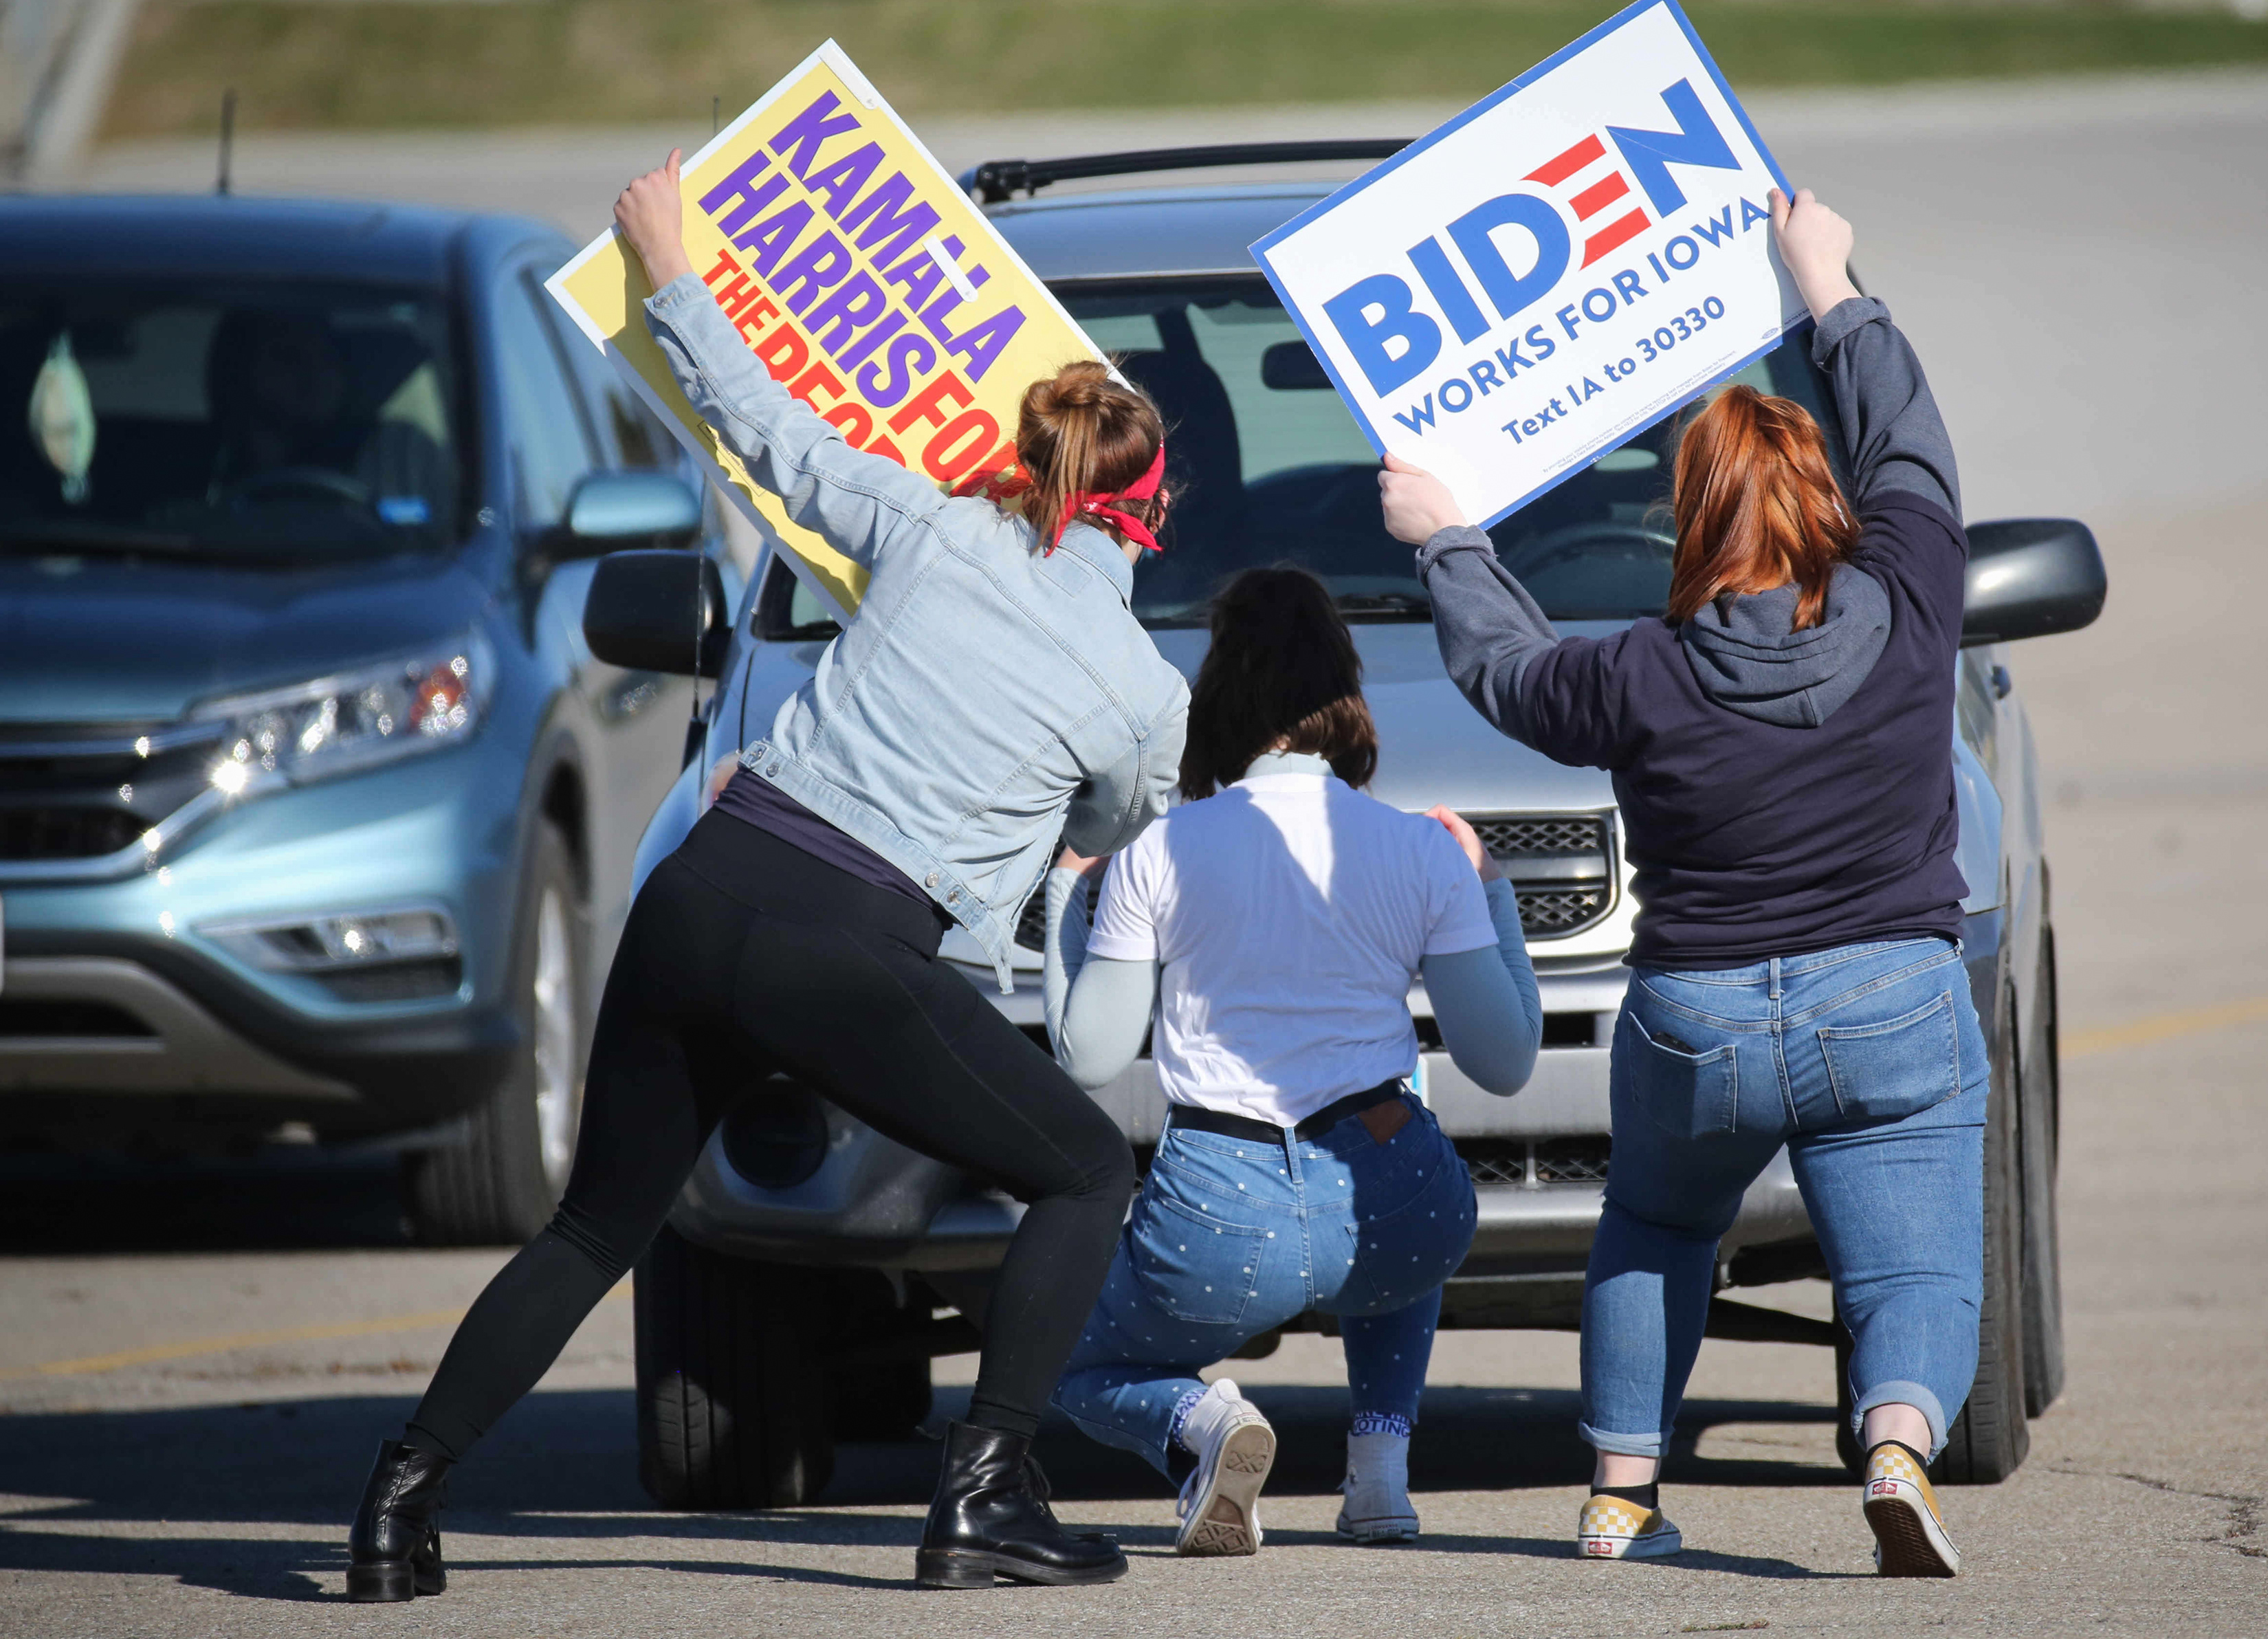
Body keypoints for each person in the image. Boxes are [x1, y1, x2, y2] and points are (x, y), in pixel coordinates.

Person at [340, 151, 1191, 1600]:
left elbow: (760, 424)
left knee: (595, 1226)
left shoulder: (926, 524)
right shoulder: (1141, 688)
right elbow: (1112, 825)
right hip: (845, 949)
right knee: (1086, 1167)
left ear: (1023, 466)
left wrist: (671, 262)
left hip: (703, 896)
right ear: (1148, 520)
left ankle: (395, 1505)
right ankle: (982, 1493)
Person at [1376, 187, 1984, 1578]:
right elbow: (1918, 453)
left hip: (1694, 1022)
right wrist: (1829, 285)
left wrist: (1447, 536)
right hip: (1891, 996)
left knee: (1656, 1226)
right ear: (1825, 502)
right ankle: (1894, 1444)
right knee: (1911, 1260)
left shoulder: (1642, 674)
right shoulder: (1909, 603)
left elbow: (1505, 672)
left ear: (1691, 515)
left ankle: (1621, 1495)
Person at [1036, 566, 1541, 1554]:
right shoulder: (1418, 848)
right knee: (1403, 1169)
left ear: (1219, 695)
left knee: (1058, 1355)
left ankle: (1202, 1423)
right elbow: (1505, 1059)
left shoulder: (1159, 849)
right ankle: (1382, 1467)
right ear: (1343, 689)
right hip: (1393, 1200)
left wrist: (1066, 895)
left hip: (1218, 1221)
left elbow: (1088, 1058)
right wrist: (1494, 892)